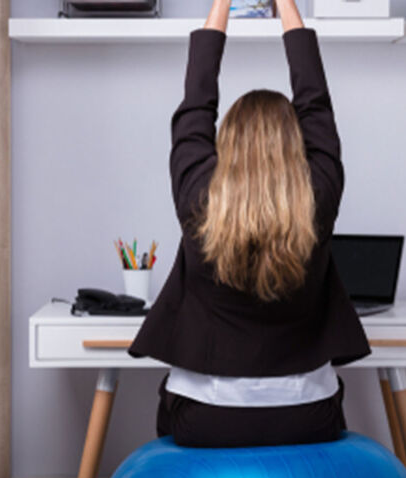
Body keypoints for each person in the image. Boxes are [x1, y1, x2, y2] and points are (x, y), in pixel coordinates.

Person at [128, 0, 371, 448]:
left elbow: (195, 105)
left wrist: (221, 4)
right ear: (297, 146)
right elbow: (315, 103)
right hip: (308, 417)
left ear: (224, 145)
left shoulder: (199, 196)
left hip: (204, 419)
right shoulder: (317, 196)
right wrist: (288, 7)